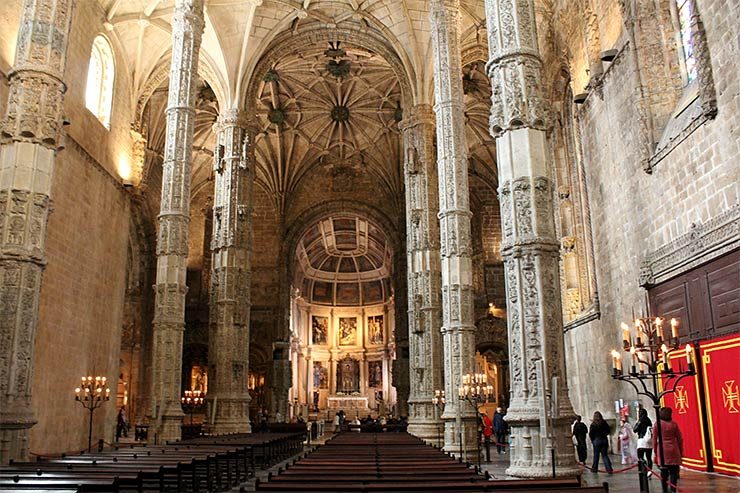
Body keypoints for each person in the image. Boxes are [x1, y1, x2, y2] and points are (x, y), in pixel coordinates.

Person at [653, 407, 683, 493]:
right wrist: (680, 451)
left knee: (664, 473)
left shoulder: (657, 424)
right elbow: (679, 439)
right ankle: (673, 490)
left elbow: (654, 440)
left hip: (662, 450)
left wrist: (655, 452)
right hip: (674, 449)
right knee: (674, 472)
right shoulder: (674, 424)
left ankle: (664, 490)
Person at [633, 408, 653, 474]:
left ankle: (643, 468)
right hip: (649, 441)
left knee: (640, 456)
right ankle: (649, 471)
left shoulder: (640, 420)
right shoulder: (649, 420)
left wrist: (637, 422)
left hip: (642, 440)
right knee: (649, 457)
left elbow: (635, 429)